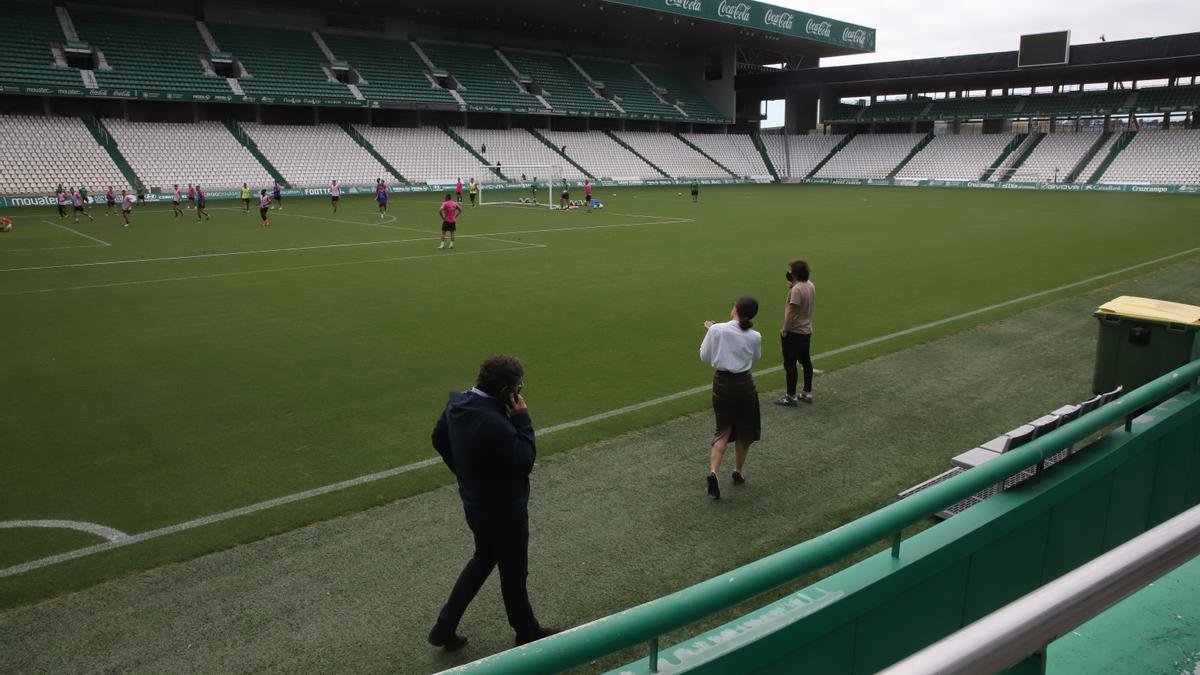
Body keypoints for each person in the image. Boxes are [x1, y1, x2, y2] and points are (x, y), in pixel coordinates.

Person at [428, 355, 561, 651]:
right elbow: (524, 460)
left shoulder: (459, 403)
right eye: (517, 386)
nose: (519, 392)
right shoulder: (494, 422)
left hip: (475, 505)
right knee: (514, 572)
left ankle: (444, 627)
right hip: (504, 511)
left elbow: (439, 438)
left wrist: (467, 474)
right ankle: (526, 630)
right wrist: (523, 420)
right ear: (504, 389)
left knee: (483, 559)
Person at [699, 296, 763, 499]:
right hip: (744, 385)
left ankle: (714, 472)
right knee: (745, 429)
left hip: (722, 385)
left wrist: (713, 333)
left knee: (722, 430)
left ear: (735, 309)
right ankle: (737, 471)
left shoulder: (717, 330)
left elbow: (704, 356)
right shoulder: (755, 335)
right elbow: (756, 357)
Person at [775, 260, 816, 407]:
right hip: (806, 331)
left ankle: (790, 396)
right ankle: (807, 391)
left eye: (790, 271)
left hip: (794, 332)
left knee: (790, 364)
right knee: (806, 361)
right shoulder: (810, 285)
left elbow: (791, 313)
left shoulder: (796, 290)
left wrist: (785, 330)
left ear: (795, 274)